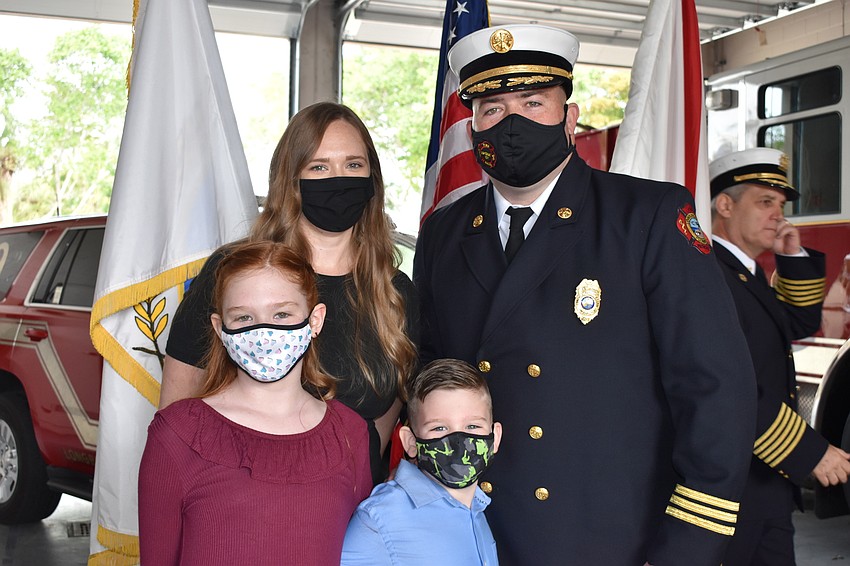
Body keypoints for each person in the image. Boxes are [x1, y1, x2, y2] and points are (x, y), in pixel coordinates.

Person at [414, 24, 757, 565]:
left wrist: (689, 546)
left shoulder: (646, 216)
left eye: (533, 101)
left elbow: (714, 387)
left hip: (614, 538)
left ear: (569, 118)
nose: (512, 124)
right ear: (473, 125)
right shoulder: (446, 232)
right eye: (492, 109)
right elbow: (431, 370)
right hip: (477, 534)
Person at [162, 102, 419, 485]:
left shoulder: (396, 293)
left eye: (353, 165)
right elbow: (177, 413)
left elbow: (378, 430)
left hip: (349, 514)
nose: (338, 178)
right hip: (244, 507)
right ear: (291, 179)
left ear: (371, 179)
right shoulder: (233, 274)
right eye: (319, 167)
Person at [138, 241, 372, 565]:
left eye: (281, 313)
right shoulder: (176, 434)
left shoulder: (350, 435)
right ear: (221, 329)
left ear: (315, 320)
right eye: (245, 317)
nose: (264, 332)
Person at [708, 147, 850, 565]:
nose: (779, 215)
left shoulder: (743, 270)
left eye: (781, 205)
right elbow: (726, 382)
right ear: (725, 204)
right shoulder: (708, 274)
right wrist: (809, 451)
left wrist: (790, 259)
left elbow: (796, 325)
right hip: (733, 489)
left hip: (767, 480)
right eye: (765, 202)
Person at [340, 358, 501, 566]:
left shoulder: (477, 509)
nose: (459, 441)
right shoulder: (381, 518)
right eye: (439, 428)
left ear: (495, 437)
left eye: (472, 426)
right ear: (410, 442)